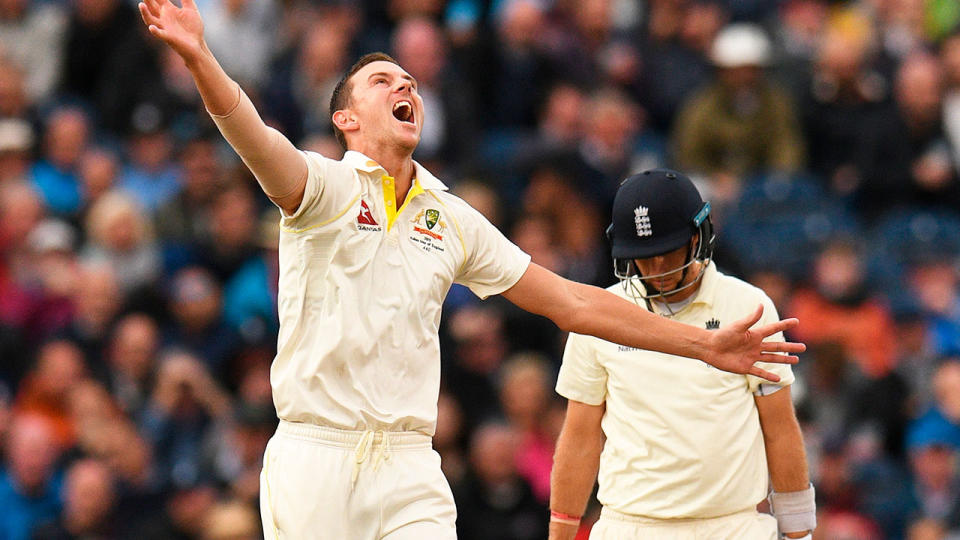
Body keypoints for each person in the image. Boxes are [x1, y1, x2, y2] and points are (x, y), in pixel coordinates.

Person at [137, 2, 805, 538]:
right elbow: (253, 136)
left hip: (408, 463)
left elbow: (574, 305)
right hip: (318, 454)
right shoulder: (323, 190)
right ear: (344, 119)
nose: (403, 85)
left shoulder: (448, 217)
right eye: (381, 81)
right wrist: (201, 58)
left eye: (410, 81)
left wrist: (707, 345)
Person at [549, 169, 815, 540]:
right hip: (630, 527)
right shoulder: (600, 315)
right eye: (644, 257)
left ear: (697, 237)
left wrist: (799, 530)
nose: (657, 270)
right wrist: (560, 533)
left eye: (667, 253)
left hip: (733, 527)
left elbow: (780, 425)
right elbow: (580, 436)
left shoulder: (748, 307)